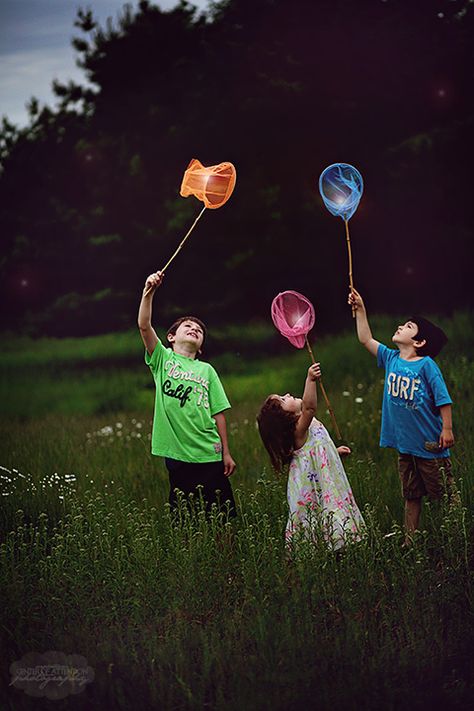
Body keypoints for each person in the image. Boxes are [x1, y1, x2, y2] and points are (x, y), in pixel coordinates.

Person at [348, 287, 454, 536]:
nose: (400, 326)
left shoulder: (427, 366)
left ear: (419, 342)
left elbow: (443, 399)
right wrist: (361, 309)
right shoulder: (391, 358)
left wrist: (447, 429)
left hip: (430, 446)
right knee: (411, 494)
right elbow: (365, 339)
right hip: (405, 447)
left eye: (408, 326)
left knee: (444, 493)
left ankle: (456, 535)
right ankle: (410, 539)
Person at [138, 270, 236, 518]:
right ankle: (192, 553)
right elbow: (143, 325)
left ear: (201, 346)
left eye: (199, 330)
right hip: (178, 453)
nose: (194, 329)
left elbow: (219, 413)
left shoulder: (207, 370)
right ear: (171, 337)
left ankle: (226, 553)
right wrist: (148, 291)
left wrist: (225, 452)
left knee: (221, 511)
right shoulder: (162, 359)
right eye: (187, 326)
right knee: (185, 514)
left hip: (208, 450)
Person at [257, 362, 365, 550]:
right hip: (312, 486)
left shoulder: (303, 429)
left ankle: (335, 544)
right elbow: (309, 408)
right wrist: (310, 379)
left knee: (323, 511)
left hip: (318, 479)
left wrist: (333, 453)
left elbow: (316, 451)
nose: (288, 394)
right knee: (319, 511)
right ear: (283, 417)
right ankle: (331, 546)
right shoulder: (299, 430)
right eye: (283, 399)